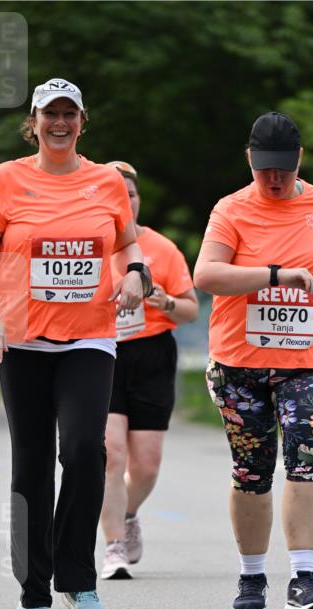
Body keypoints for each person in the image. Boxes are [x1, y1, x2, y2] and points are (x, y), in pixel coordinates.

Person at [0, 79, 151, 609]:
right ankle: (33, 590)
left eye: (70, 113)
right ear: (34, 121)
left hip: (89, 337)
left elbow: (127, 244)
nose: (60, 123)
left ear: (83, 122)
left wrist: (135, 273)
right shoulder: (6, 179)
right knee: (32, 464)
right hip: (20, 340)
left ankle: (79, 582)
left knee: (87, 452)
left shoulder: (106, 181)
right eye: (50, 114)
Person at [194, 111, 313, 609]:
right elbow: (207, 275)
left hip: (309, 361)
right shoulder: (231, 209)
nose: (274, 178)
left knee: (307, 457)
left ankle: (304, 577)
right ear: (249, 160)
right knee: (251, 471)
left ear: (299, 159)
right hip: (240, 362)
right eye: (264, 169)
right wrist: (275, 275)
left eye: (283, 168)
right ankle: (251, 578)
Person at [100, 161, 198, 579]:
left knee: (146, 466)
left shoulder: (162, 248)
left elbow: (191, 310)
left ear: (138, 200)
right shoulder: (90, 245)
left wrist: (165, 301)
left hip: (152, 356)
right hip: (102, 353)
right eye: (116, 195)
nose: (125, 202)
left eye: (131, 194)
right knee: (111, 454)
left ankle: (128, 513)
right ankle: (113, 547)